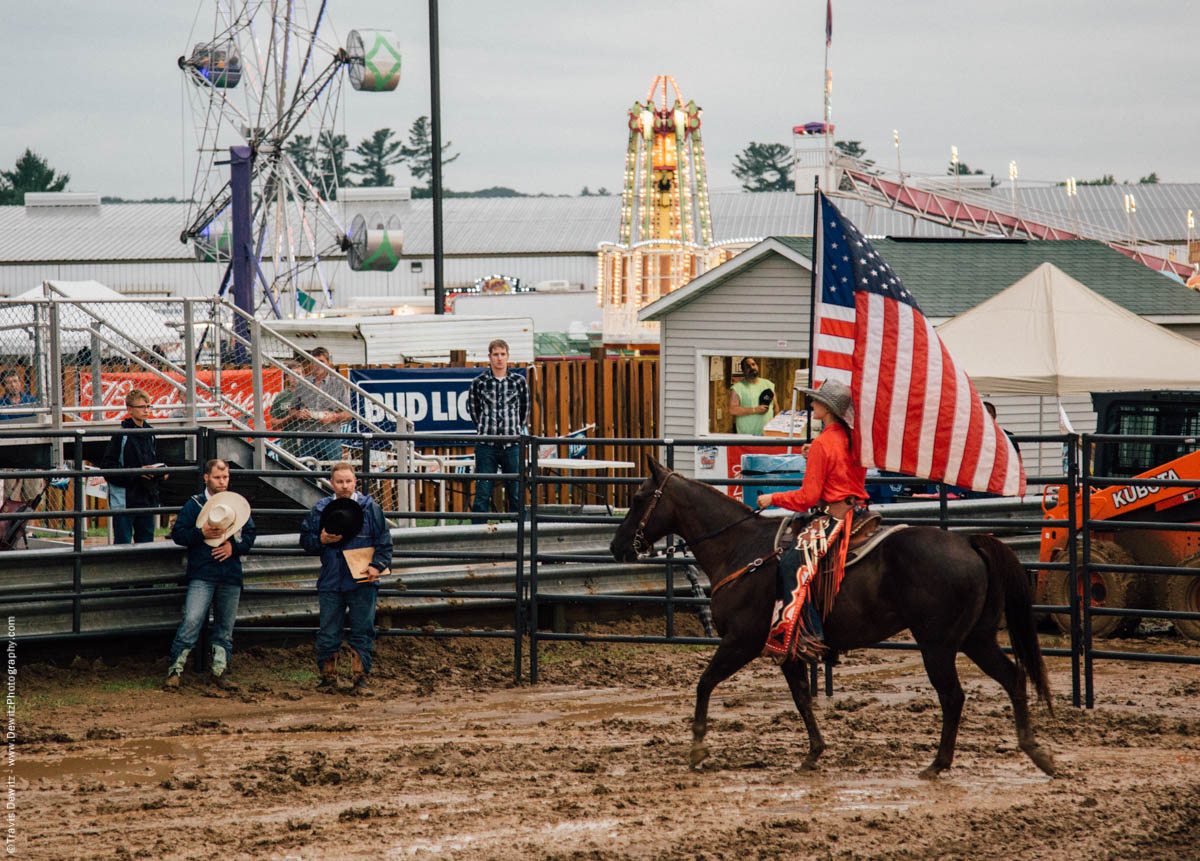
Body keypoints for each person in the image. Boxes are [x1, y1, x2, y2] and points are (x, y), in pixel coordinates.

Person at [755, 379, 867, 659]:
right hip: (857, 510)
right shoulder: (851, 438)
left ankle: (810, 637)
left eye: (816, 401)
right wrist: (813, 454)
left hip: (833, 517)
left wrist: (773, 499)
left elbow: (807, 498)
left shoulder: (824, 443)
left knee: (792, 563)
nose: (812, 404)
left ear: (827, 408)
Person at [300, 462, 392, 696]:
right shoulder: (320, 509)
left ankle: (360, 679)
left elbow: (384, 541)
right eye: (339, 482)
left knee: (363, 628)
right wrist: (320, 540)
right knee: (329, 630)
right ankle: (328, 678)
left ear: (355, 482)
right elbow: (306, 542)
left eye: (348, 481)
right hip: (331, 579)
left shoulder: (370, 508)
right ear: (332, 483)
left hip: (362, 579)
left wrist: (377, 565)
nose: (344, 486)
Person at [164, 459, 256, 691]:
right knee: (192, 619)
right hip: (204, 573)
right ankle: (175, 670)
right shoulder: (195, 504)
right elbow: (179, 535)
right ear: (206, 478)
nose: (222, 482)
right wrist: (201, 533)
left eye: (225, 477)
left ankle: (219, 671)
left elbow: (251, 534)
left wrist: (233, 548)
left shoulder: (234, 504)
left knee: (225, 626)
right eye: (217, 477)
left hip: (229, 573)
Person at [466, 339, 529, 514]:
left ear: (508, 356)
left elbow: (524, 410)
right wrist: (486, 429)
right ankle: (476, 536)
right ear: (489, 357)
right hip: (487, 446)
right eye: (495, 354)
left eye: (502, 354)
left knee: (516, 494)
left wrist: (514, 429)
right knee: (482, 495)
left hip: (512, 445)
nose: (499, 358)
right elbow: (474, 410)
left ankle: (519, 536)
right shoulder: (479, 382)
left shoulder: (519, 381)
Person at [101, 389, 168, 544]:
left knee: (146, 541)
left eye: (148, 406)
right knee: (123, 542)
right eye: (141, 407)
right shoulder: (121, 435)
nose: (146, 410)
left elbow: (156, 460)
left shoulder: (150, 433)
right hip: (125, 498)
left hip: (146, 496)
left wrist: (161, 473)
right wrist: (137, 473)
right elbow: (108, 467)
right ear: (129, 409)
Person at [284, 347, 352, 464]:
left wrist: (334, 417)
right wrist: (300, 414)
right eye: (314, 362)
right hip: (308, 437)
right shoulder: (303, 384)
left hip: (330, 437)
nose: (317, 365)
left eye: (321, 362)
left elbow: (349, 414)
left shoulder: (338, 384)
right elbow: (292, 410)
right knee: (308, 475)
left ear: (328, 363)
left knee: (331, 473)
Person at [1, 368, 43, 505]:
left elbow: (35, 421)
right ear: (3, 386)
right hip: (11, 458)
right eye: (8, 383)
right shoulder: (2, 404)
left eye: (15, 381)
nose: (13, 385)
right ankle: (11, 526)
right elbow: (7, 425)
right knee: (10, 498)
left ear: (20, 383)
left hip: (31, 454)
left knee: (31, 498)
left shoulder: (30, 401)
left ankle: (29, 525)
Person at [728, 357, 777, 435]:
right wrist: (755, 410)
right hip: (747, 435)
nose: (752, 367)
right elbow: (732, 409)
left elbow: (775, 407)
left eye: (753, 364)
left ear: (757, 366)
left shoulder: (768, 384)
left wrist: (775, 427)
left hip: (767, 434)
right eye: (747, 366)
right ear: (743, 371)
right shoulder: (738, 387)